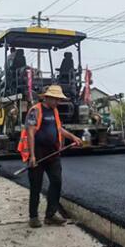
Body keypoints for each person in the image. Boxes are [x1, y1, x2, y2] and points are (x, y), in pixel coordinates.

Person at [19, 85, 83, 228]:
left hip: (52, 153)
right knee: (36, 186)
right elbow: (30, 131)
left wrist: (73, 137)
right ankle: (33, 217)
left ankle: (50, 215)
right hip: (38, 152)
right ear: (47, 97)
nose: (58, 102)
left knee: (56, 181)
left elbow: (58, 128)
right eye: (56, 99)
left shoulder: (54, 111)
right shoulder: (36, 110)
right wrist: (32, 156)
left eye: (59, 99)